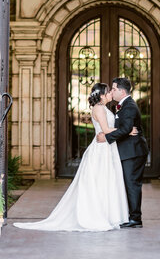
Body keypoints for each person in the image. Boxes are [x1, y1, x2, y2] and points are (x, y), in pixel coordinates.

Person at [13, 82, 135, 232]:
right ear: (102, 95)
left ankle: (108, 214)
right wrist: (127, 130)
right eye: (109, 91)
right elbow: (106, 130)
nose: (111, 93)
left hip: (107, 148)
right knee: (100, 181)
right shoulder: (99, 109)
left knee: (106, 181)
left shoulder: (102, 108)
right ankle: (98, 215)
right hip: (101, 150)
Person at [97, 77, 149, 228]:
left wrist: (106, 138)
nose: (111, 92)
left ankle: (135, 219)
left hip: (133, 152)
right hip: (128, 151)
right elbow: (125, 129)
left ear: (122, 91)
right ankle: (130, 216)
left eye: (113, 89)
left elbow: (126, 129)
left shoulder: (129, 107)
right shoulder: (123, 105)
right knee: (127, 184)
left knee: (132, 184)